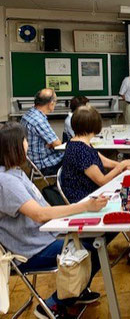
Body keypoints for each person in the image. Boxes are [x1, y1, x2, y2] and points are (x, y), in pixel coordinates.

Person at [0, 122, 109, 319]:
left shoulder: (14, 173)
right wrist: (85, 207)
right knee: (92, 248)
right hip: (30, 250)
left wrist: (75, 217)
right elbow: (40, 214)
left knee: (98, 237)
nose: (28, 145)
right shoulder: (6, 181)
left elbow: (45, 210)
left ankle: (75, 291)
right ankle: (54, 304)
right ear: (15, 146)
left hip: (43, 236)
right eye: (25, 141)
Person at [60, 105, 130, 264]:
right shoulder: (80, 150)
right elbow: (102, 180)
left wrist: (124, 164)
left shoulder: (78, 143)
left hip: (92, 193)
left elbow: (101, 160)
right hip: (87, 200)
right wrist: (121, 166)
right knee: (129, 202)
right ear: (94, 126)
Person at [20, 88, 64, 176]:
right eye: (55, 102)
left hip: (32, 161)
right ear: (51, 103)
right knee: (77, 155)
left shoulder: (28, 114)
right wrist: (51, 144)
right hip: (44, 164)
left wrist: (50, 144)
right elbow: (58, 144)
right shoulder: (39, 120)